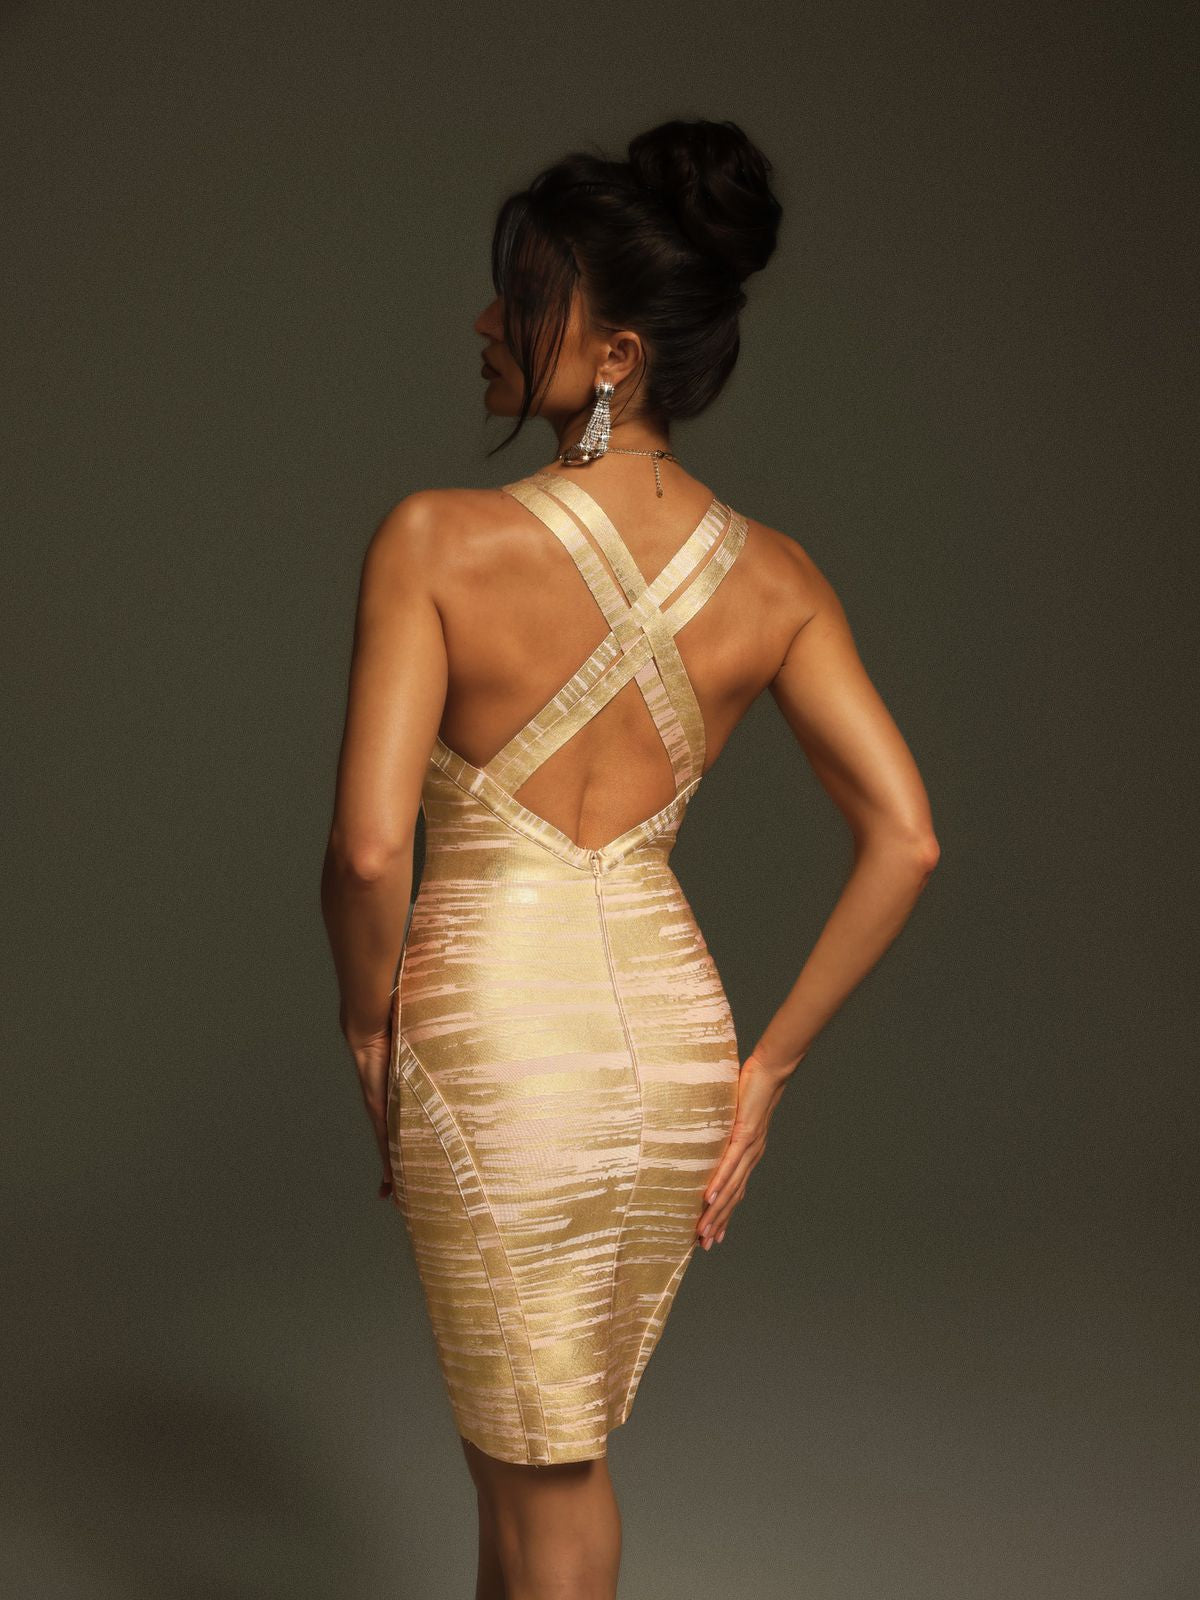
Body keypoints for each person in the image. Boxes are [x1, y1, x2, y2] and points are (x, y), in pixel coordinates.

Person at [321, 116, 939, 1600]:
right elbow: (908, 838)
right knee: (534, 1456)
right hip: (671, 1040)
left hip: (495, 1033)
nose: (487, 322)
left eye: (525, 296)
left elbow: (368, 846)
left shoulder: (435, 540)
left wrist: (369, 1022)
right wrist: (764, 1072)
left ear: (618, 356)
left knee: (540, 1473)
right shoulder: (780, 578)